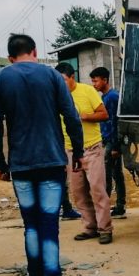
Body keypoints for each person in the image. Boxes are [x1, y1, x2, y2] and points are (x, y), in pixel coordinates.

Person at [0, 35, 83, 276]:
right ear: (35, 52)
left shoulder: (1, 80)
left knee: (31, 226)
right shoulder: (52, 76)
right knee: (49, 225)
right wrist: (78, 151)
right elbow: (71, 116)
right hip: (52, 161)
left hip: (22, 165)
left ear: (10, 57)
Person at [54, 63, 113, 244]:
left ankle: (105, 229)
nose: (61, 84)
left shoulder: (87, 91)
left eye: (63, 80)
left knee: (97, 190)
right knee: (79, 192)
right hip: (70, 151)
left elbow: (104, 114)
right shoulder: (56, 96)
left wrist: (84, 116)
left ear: (72, 77)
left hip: (92, 149)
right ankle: (90, 228)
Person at [89, 66, 126, 218]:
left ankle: (111, 207)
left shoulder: (112, 97)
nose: (93, 84)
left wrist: (116, 146)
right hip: (107, 140)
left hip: (112, 141)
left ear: (105, 80)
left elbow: (117, 122)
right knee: (115, 174)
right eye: (92, 81)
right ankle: (117, 206)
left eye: (95, 81)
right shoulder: (104, 97)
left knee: (109, 175)